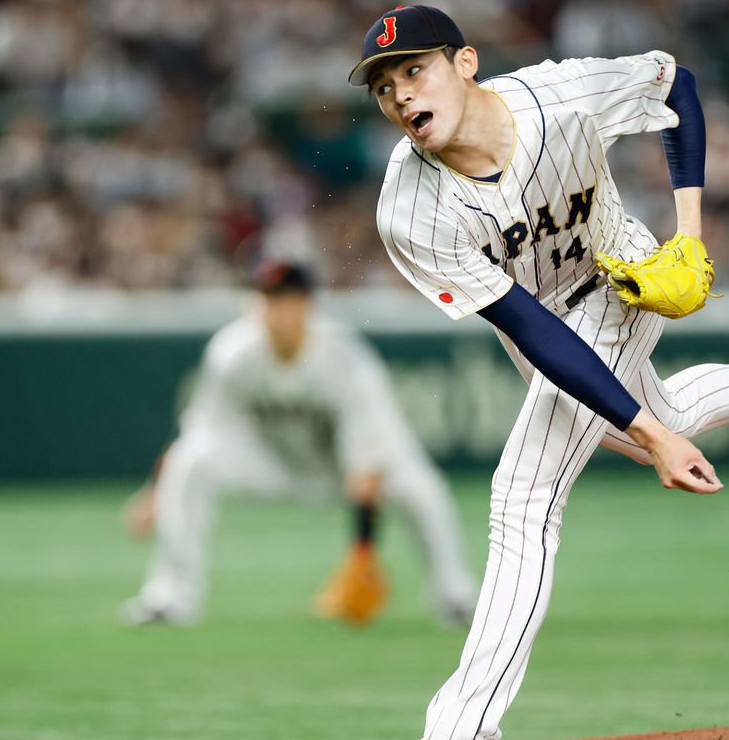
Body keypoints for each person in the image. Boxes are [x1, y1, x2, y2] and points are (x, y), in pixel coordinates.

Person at [341, 5, 729, 740]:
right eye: (384, 86)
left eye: (416, 70)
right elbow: (531, 329)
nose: (401, 94)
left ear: (466, 63)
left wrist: (690, 233)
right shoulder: (409, 206)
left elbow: (675, 82)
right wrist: (649, 432)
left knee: (524, 493)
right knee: (663, 413)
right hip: (546, 317)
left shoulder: (560, 97)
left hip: (622, 277)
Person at [118, 259, 479, 628]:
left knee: (420, 487)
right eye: (266, 299)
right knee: (193, 460)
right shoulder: (233, 352)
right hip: (278, 466)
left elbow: (368, 466)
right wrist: (155, 490)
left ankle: (455, 596)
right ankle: (170, 598)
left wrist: (362, 551)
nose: (273, 310)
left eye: (285, 300)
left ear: (307, 305)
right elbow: (202, 429)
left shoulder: (343, 356)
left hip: (344, 470)